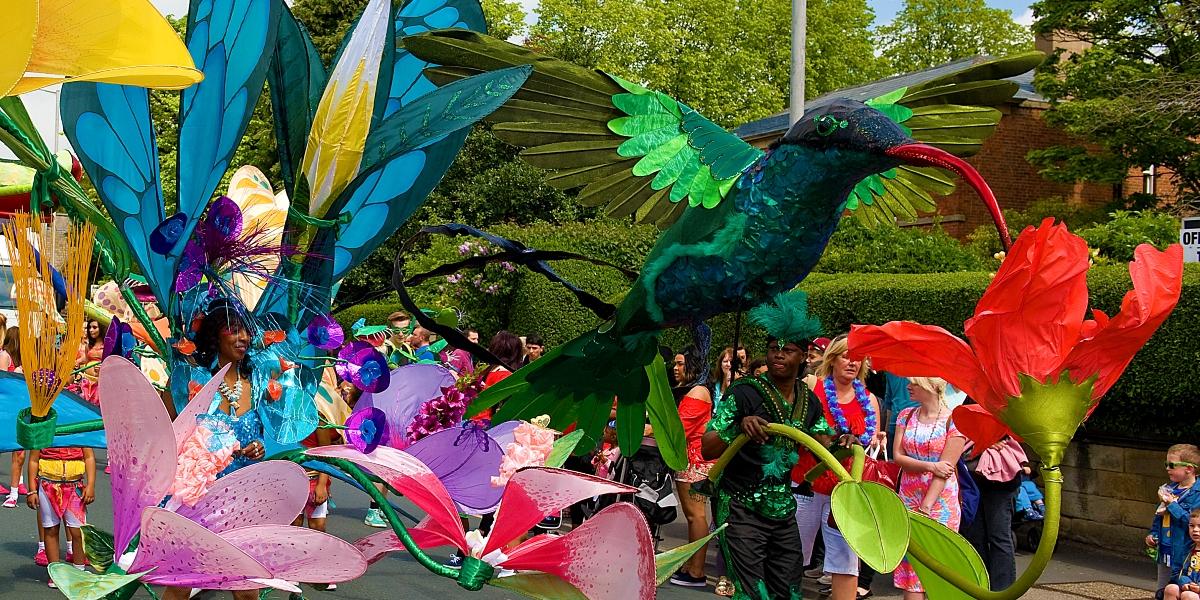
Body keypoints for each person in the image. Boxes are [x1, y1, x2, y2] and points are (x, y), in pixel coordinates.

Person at [702, 322, 828, 599]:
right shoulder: (744, 392)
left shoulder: (808, 400)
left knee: (789, 592)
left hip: (783, 511)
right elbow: (707, 447)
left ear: (804, 356)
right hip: (740, 505)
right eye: (773, 349)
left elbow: (823, 443)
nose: (778, 355)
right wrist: (738, 426)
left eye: (788, 350)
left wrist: (844, 441)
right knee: (751, 593)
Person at [163, 302, 268, 600]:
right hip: (200, 496)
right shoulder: (191, 380)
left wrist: (260, 447)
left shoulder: (258, 383)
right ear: (215, 338)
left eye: (246, 332)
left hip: (243, 497)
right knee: (182, 583)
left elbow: (268, 432)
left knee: (246, 587)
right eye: (234, 331)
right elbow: (165, 431)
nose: (243, 338)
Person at [795, 334, 884, 600]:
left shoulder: (869, 400)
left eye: (858, 358)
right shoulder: (813, 387)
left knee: (845, 559)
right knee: (793, 553)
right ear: (832, 359)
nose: (852, 363)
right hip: (806, 484)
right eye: (846, 356)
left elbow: (870, 446)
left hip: (846, 492)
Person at [892, 377, 966, 599]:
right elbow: (897, 457)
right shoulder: (905, 416)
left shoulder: (956, 420)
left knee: (939, 566)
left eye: (914, 383)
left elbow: (947, 470)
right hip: (908, 498)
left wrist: (927, 506)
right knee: (912, 567)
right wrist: (930, 465)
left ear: (932, 385)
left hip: (940, 502)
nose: (908, 387)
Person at [669, 350, 716, 588]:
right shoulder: (697, 390)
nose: (675, 368)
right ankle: (691, 565)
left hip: (695, 461)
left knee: (695, 514)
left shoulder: (698, 391)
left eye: (680, 364)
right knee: (692, 515)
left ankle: (696, 571)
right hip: (691, 459)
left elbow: (680, 428)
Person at [26, 445, 96, 588]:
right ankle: (55, 573)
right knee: (51, 530)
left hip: (75, 486)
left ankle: (79, 571)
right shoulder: (44, 429)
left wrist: (91, 485)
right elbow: (33, 460)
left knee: (78, 532)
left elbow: (89, 457)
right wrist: (32, 491)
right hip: (47, 486)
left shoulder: (79, 430)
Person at [1150, 445, 1200, 591]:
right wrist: (1153, 533)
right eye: (1166, 464)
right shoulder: (1169, 489)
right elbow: (1159, 515)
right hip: (1165, 547)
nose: (1167, 468)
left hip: (1183, 548)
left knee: (1181, 586)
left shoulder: (1197, 493)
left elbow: (1191, 520)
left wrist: (1172, 504)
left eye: (1171, 465)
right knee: (1162, 588)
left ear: (1189, 469)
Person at [4, 326, 28, 508]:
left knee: (20, 451)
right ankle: (14, 490)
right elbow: (4, 383)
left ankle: (18, 483)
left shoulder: (22, 360)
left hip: (20, 409)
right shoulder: (5, 356)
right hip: (7, 411)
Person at [1163, 509, 1200, 600]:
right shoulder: (1187, 549)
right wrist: (1184, 583)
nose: (1195, 530)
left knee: (1188, 596)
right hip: (1190, 587)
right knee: (1171, 589)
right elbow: (1178, 572)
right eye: (1192, 526)